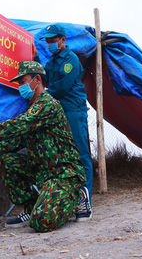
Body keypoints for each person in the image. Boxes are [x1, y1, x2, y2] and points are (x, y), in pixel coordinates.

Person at [0, 61, 85, 233]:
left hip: (63, 174)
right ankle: (32, 207)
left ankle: (77, 196)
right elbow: (12, 143)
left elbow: (14, 126)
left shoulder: (47, 105)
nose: (20, 87)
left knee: (42, 222)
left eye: (23, 81)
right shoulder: (30, 110)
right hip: (43, 175)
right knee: (7, 160)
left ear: (37, 80)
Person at [35, 24, 93, 221]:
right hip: (59, 112)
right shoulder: (52, 61)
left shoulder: (71, 59)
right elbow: (43, 78)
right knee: (63, 155)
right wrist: (35, 59)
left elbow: (60, 88)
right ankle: (70, 199)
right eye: (48, 41)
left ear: (62, 40)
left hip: (73, 110)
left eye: (53, 40)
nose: (50, 43)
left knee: (80, 154)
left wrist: (40, 95)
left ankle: (86, 201)